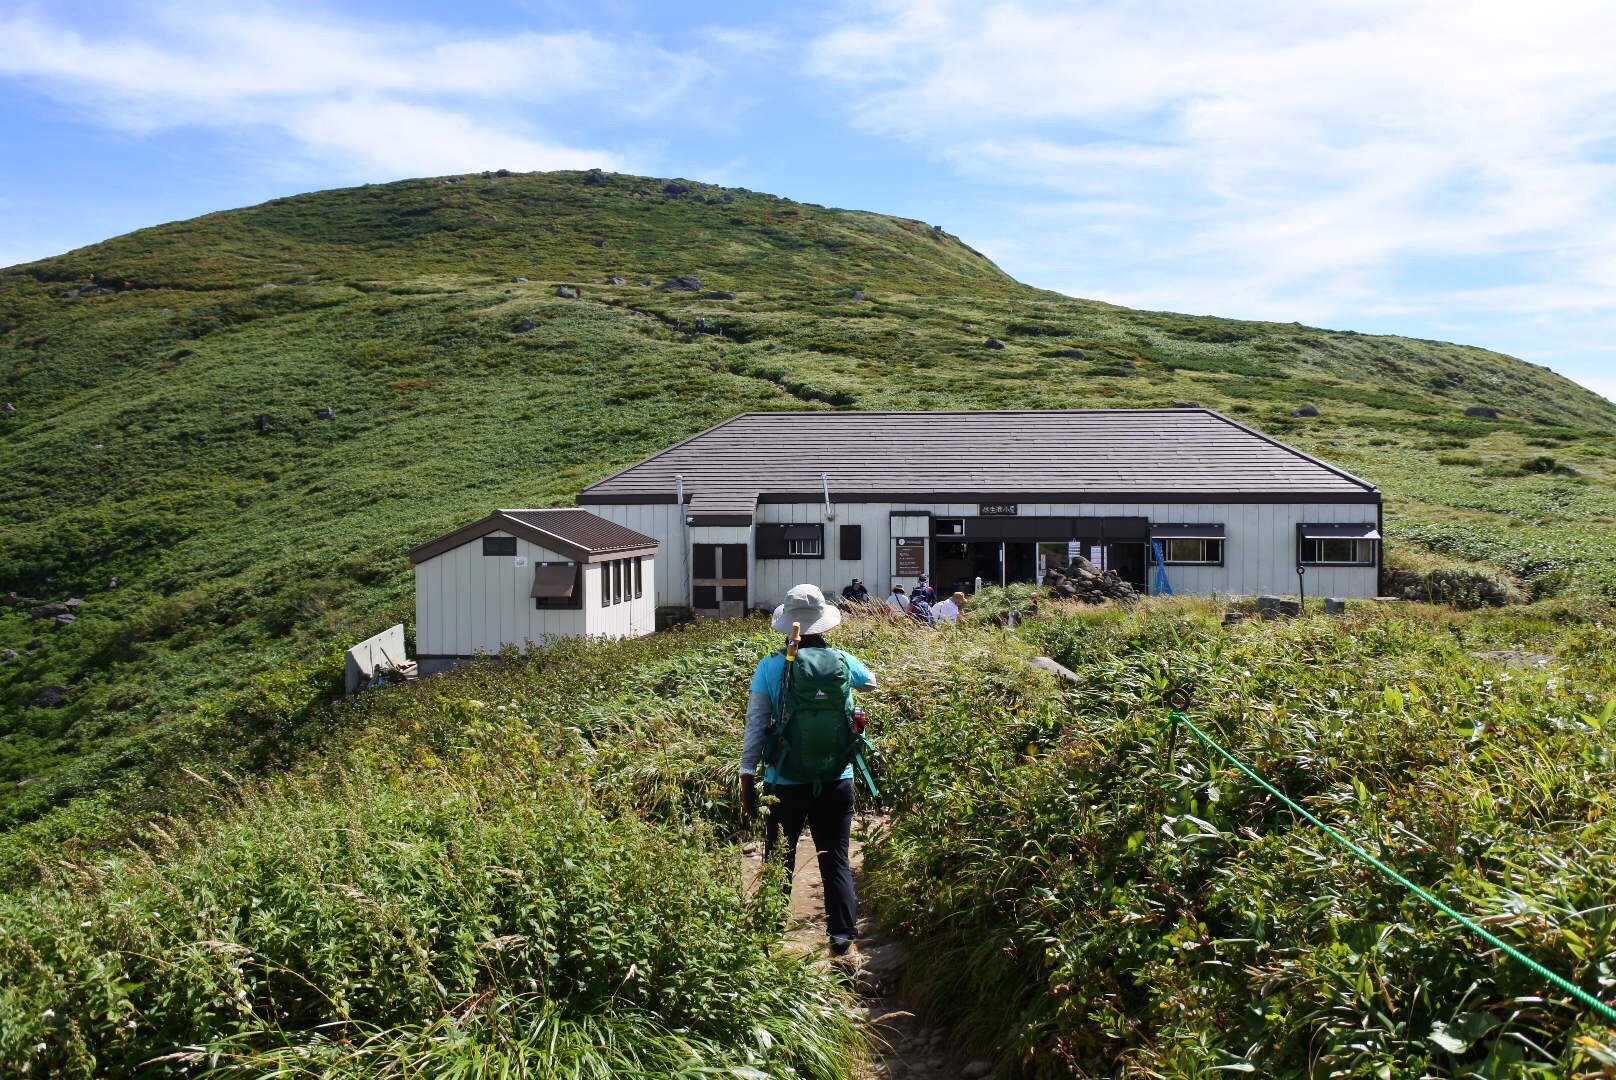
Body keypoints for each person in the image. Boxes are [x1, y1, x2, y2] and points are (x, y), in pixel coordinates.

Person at [739, 584, 877, 957]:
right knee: (835, 858)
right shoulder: (844, 661)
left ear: (787, 625)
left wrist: (747, 774)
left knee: (779, 857)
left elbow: (755, 724)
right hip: (837, 778)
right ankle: (842, 938)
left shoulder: (770, 666)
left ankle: (770, 934)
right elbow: (871, 681)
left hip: (784, 780)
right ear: (823, 623)